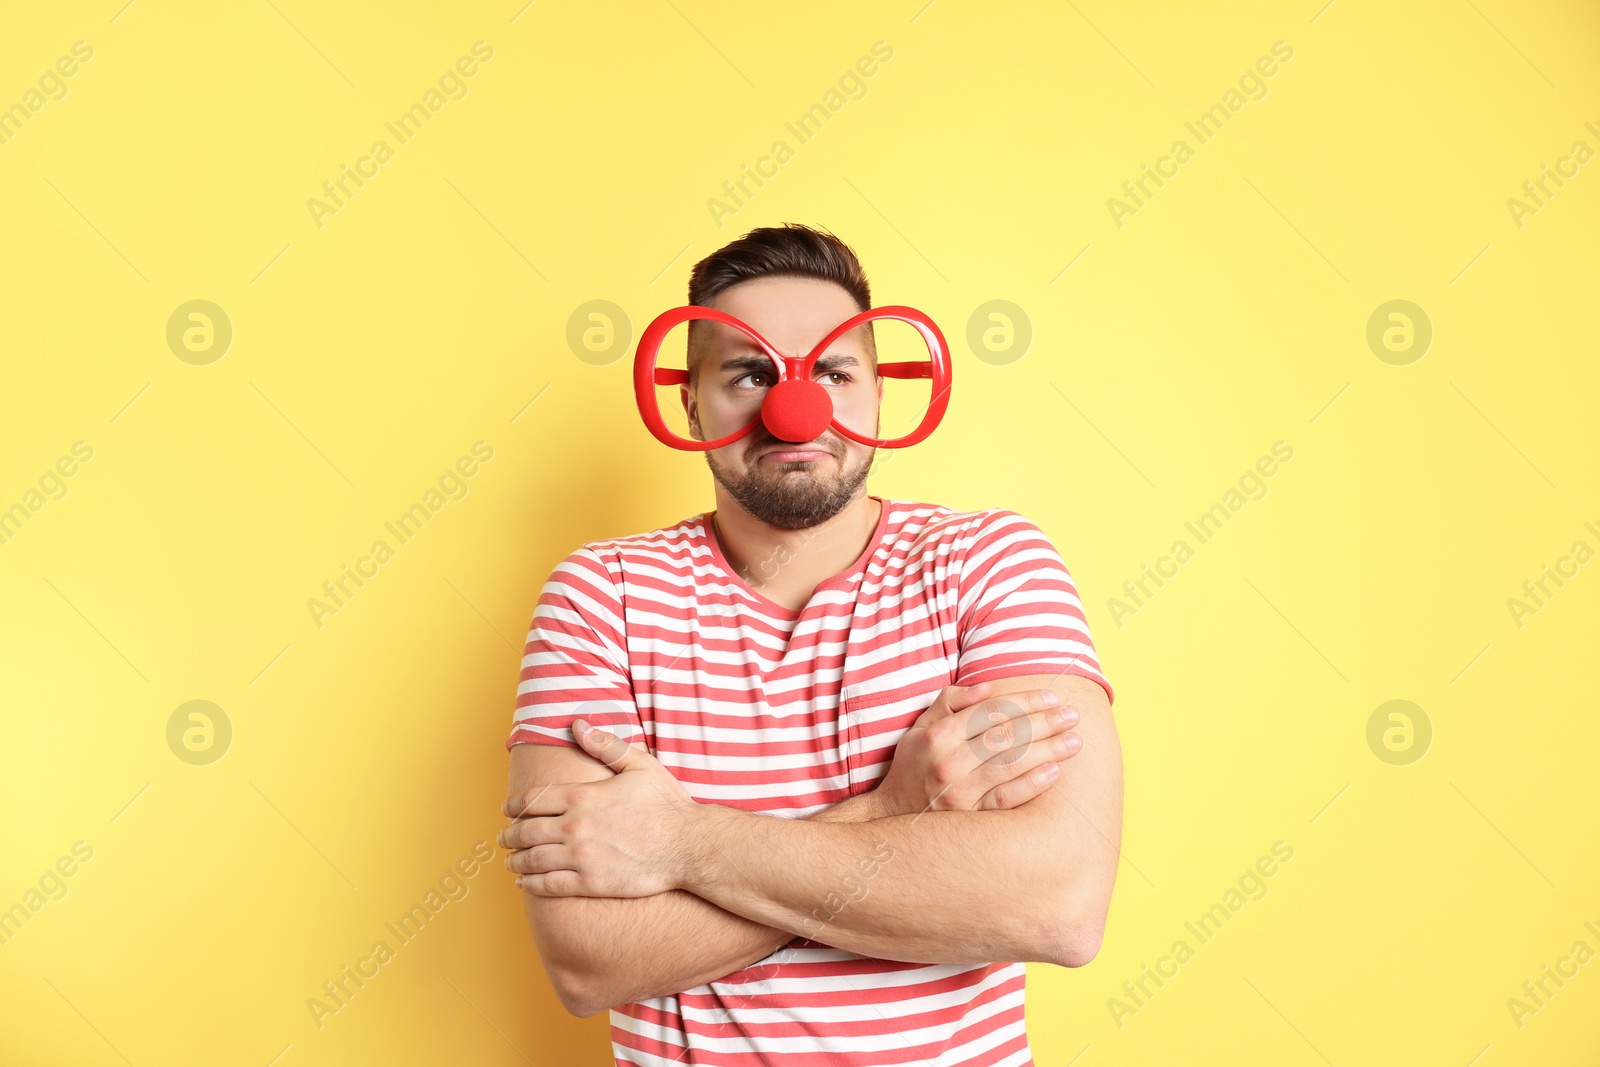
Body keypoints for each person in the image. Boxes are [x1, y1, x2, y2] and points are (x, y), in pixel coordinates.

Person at [498, 223, 1123, 1066]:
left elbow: (1057, 901)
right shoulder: (599, 595)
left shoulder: (987, 563)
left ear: (877, 394)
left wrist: (681, 842)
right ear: (689, 400)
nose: (797, 408)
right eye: (750, 373)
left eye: (832, 371)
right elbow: (589, 957)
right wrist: (893, 811)